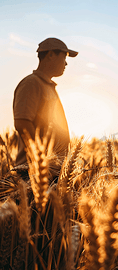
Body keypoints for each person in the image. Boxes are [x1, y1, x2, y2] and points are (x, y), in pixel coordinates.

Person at [13, 37, 78, 173]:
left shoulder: (47, 86)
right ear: (50, 55)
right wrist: (42, 158)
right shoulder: (31, 84)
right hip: (35, 171)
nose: (66, 64)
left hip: (51, 170)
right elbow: (22, 123)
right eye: (64, 56)